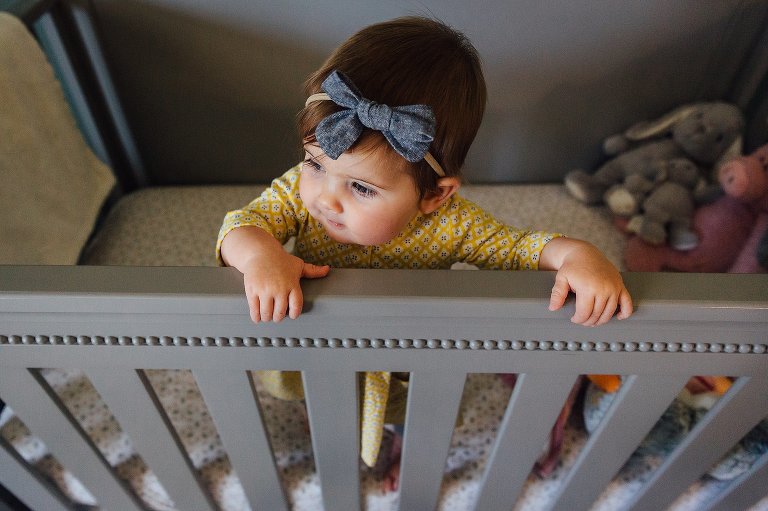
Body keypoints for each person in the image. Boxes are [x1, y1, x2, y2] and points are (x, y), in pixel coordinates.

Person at [216, 15, 633, 484]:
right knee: (322, 400)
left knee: (413, 421)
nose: (325, 198)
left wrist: (576, 255)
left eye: (361, 187)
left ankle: (401, 452)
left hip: (406, 364)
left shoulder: (452, 224)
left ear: (434, 195)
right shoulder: (300, 192)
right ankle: (330, 428)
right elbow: (243, 223)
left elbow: (518, 248)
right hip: (320, 346)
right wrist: (260, 256)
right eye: (315, 164)